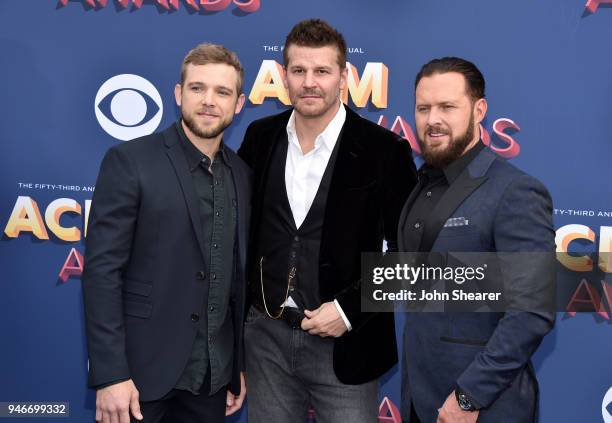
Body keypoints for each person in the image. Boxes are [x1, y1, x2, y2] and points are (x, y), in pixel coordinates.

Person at [237, 18, 417, 423]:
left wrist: (350, 309)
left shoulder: (384, 151)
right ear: (283, 76)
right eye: (299, 71)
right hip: (266, 339)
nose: (309, 82)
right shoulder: (259, 138)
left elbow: (410, 252)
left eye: (322, 71)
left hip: (347, 345)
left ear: (343, 77)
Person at [82, 43, 250, 423]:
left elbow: (236, 281)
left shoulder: (242, 175)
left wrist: (235, 363)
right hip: (139, 379)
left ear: (239, 104)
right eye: (197, 88)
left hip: (211, 378)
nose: (209, 101)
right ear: (178, 94)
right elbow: (101, 273)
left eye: (222, 92)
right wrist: (111, 374)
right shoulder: (130, 161)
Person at [398, 57, 555, 423]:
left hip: (483, 407)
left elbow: (531, 311)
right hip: (420, 401)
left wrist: (468, 397)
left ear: (479, 109)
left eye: (447, 107)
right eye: (423, 108)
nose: (432, 119)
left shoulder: (515, 190)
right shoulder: (421, 187)